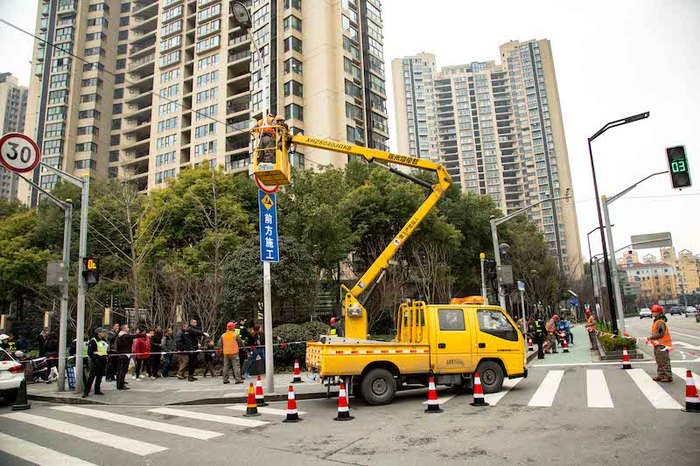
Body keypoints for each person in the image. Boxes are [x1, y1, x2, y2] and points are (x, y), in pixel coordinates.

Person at [647, 304, 673, 382]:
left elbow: (660, 333)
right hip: (658, 344)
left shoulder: (660, 322)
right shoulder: (657, 321)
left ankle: (668, 376)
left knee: (664, 361)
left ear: (658, 312)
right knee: (659, 361)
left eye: (654, 312)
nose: (653, 313)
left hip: (662, 345)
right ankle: (661, 375)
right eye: (652, 311)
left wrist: (651, 337)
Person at [83, 327, 109, 398]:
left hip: (103, 361)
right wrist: (95, 360)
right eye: (102, 332)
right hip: (96, 361)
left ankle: (97, 390)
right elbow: (90, 352)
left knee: (100, 376)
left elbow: (105, 350)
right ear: (98, 333)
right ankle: (86, 392)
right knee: (91, 377)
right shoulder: (93, 341)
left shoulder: (104, 340)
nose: (104, 333)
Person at [115, 325, 137, 390]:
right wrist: (142, 335)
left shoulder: (119, 336)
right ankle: (121, 385)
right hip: (125, 355)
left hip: (121, 354)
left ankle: (119, 384)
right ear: (124, 329)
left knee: (120, 370)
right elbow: (133, 336)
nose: (128, 329)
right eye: (127, 327)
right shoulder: (124, 336)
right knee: (123, 370)